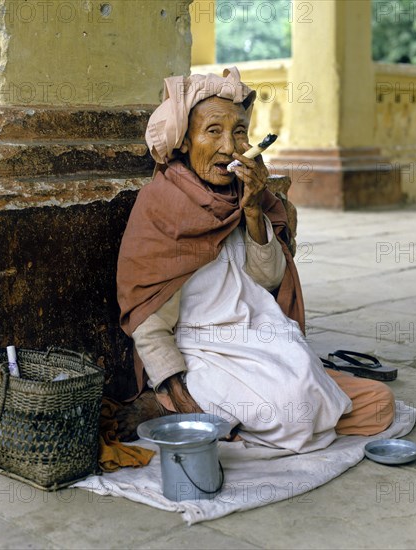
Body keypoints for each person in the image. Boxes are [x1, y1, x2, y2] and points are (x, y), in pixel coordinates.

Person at [116, 67, 395, 450]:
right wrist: (172, 387)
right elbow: (148, 317)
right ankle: (176, 408)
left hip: (260, 334)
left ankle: (284, 400)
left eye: (240, 131)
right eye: (213, 131)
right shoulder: (161, 205)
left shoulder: (249, 193)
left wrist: (251, 212)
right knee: (294, 407)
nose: (231, 147)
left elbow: (268, 282)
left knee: (379, 404)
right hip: (202, 349)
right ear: (183, 141)